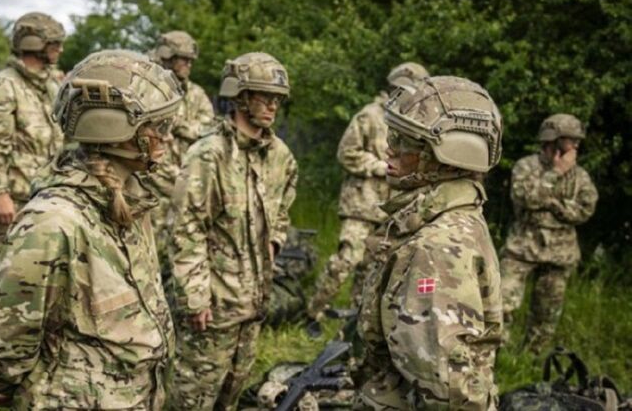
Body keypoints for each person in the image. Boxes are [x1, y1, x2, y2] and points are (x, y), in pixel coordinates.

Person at [0, 49, 182, 410]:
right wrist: (26, 383)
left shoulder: (130, 200)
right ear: (114, 128)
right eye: (157, 127)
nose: (167, 137)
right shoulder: (54, 221)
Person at [355, 76, 503, 410]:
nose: (389, 148)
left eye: (404, 140)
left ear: (445, 156)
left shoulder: (435, 249)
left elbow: (450, 393)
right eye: (392, 134)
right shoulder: (453, 216)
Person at [167, 52, 298, 410]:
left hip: (254, 302)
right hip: (213, 307)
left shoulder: (280, 156)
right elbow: (185, 229)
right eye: (264, 96)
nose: (272, 105)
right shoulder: (209, 155)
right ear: (240, 96)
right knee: (193, 397)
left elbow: (283, 205)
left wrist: (275, 241)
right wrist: (195, 297)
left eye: (277, 98)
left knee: (232, 394)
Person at [306, 62, 429, 330]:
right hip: (361, 205)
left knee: (372, 268)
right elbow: (346, 153)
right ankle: (313, 314)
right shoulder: (370, 115)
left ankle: (353, 321)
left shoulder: (413, 124)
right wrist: (377, 166)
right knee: (346, 260)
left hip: (391, 209)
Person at [0, 12, 65, 317]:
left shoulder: (49, 85)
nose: (60, 50)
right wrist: (0, 193)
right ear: (35, 44)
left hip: (45, 190)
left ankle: (17, 321)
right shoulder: (2, 87)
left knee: (35, 262)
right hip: (14, 193)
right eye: (55, 44)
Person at [500, 113, 598, 353]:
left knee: (546, 315)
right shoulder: (526, 166)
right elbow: (525, 198)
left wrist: (552, 204)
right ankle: (495, 356)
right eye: (571, 140)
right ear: (553, 140)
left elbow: (584, 211)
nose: (576, 145)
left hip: (560, 254)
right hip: (522, 248)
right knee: (501, 304)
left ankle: (530, 361)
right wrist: (555, 174)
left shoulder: (580, 176)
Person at [147, 30, 214, 274]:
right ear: (167, 57)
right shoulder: (148, 89)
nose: (189, 64)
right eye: (183, 59)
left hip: (186, 186)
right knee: (150, 255)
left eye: (190, 60)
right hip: (152, 188)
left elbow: (208, 129)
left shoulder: (195, 94)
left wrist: (178, 125)